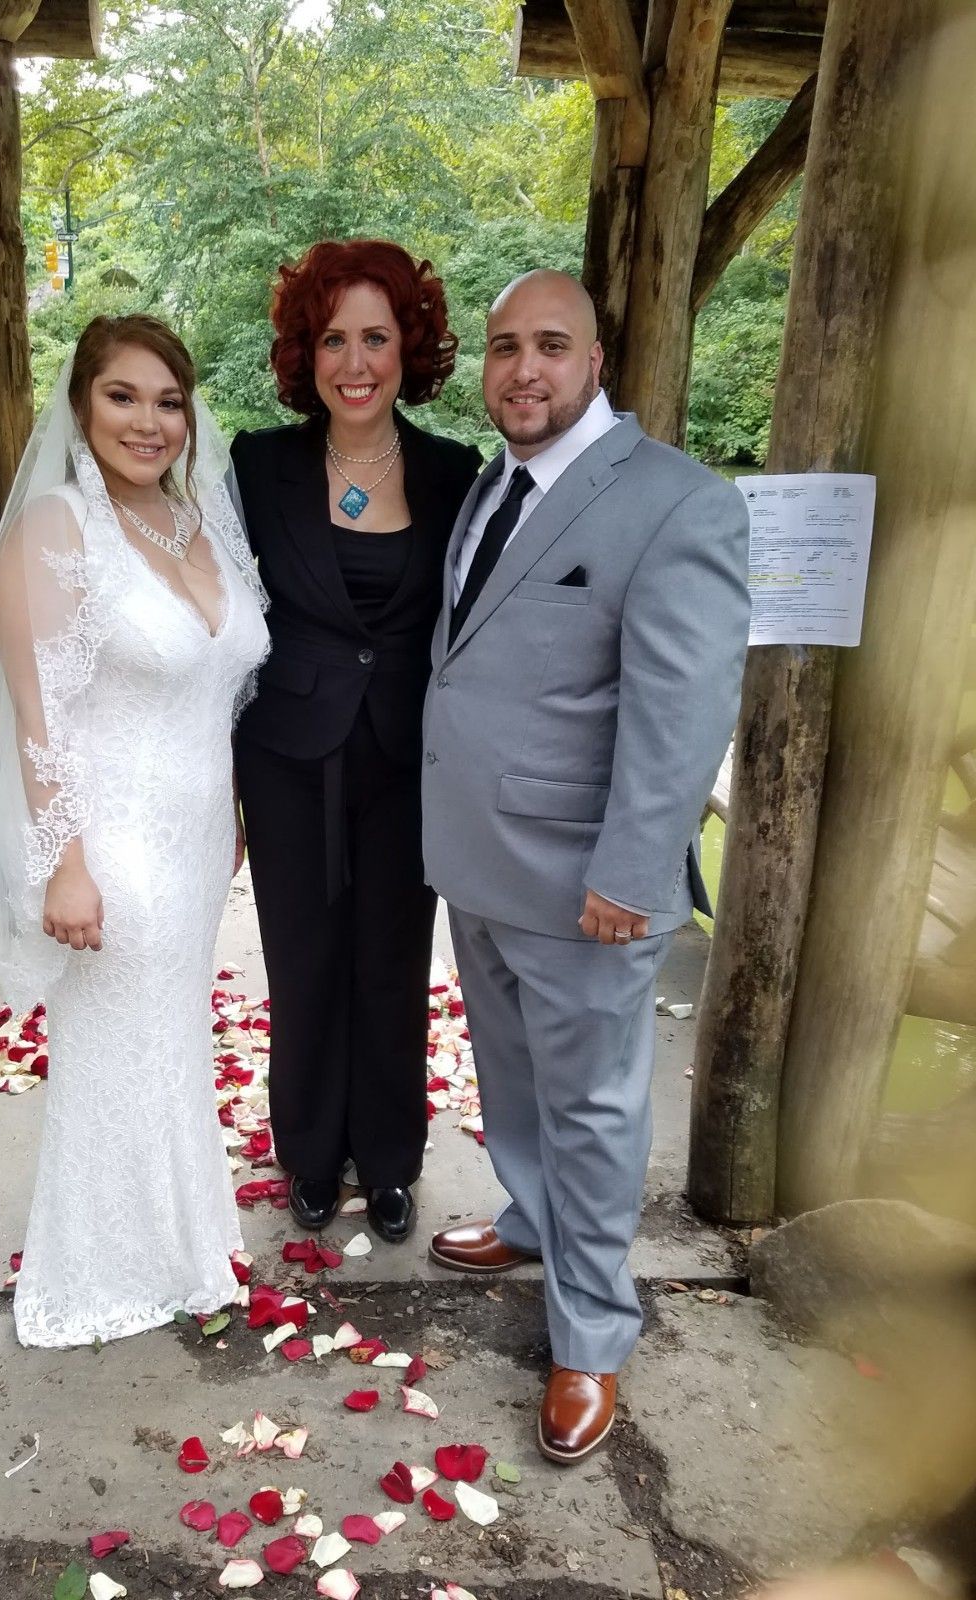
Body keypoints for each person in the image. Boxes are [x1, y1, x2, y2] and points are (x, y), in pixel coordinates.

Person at [422, 270, 751, 1459]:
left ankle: (591, 1335)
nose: (523, 369)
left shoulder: (677, 503)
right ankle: (527, 1214)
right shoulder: (488, 484)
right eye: (505, 346)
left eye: (550, 345)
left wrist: (633, 865)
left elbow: (683, 706)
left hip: (588, 883)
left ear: (598, 358)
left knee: (599, 1108)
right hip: (481, 859)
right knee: (511, 1074)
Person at [0, 314, 270, 1348]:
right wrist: (64, 866)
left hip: (194, 840)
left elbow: (221, 686)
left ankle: (186, 1244)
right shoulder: (56, 531)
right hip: (109, 844)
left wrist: (231, 810)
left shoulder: (197, 521)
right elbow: (37, 715)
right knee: (117, 1050)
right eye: (122, 396)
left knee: (171, 1045)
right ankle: (98, 1265)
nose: (148, 422)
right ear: (79, 404)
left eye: (168, 401)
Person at [231, 240, 482, 1244]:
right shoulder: (257, 464)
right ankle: (308, 1150)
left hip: (406, 758)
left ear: (408, 344)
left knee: (390, 959)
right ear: (306, 349)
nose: (355, 361)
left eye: (377, 335)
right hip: (289, 755)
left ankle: (388, 1157)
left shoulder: (455, 471)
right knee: (302, 958)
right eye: (333, 337)